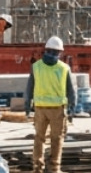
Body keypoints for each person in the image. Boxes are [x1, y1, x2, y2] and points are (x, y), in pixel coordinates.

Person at [24, 35, 76, 173]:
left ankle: (37, 167)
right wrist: (72, 108)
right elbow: (71, 90)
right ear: (60, 52)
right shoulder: (64, 68)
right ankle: (54, 168)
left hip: (40, 109)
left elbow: (29, 88)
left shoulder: (36, 67)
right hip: (57, 110)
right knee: (56, 139)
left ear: (45, 50)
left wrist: (27, 106)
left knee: (39, 138)